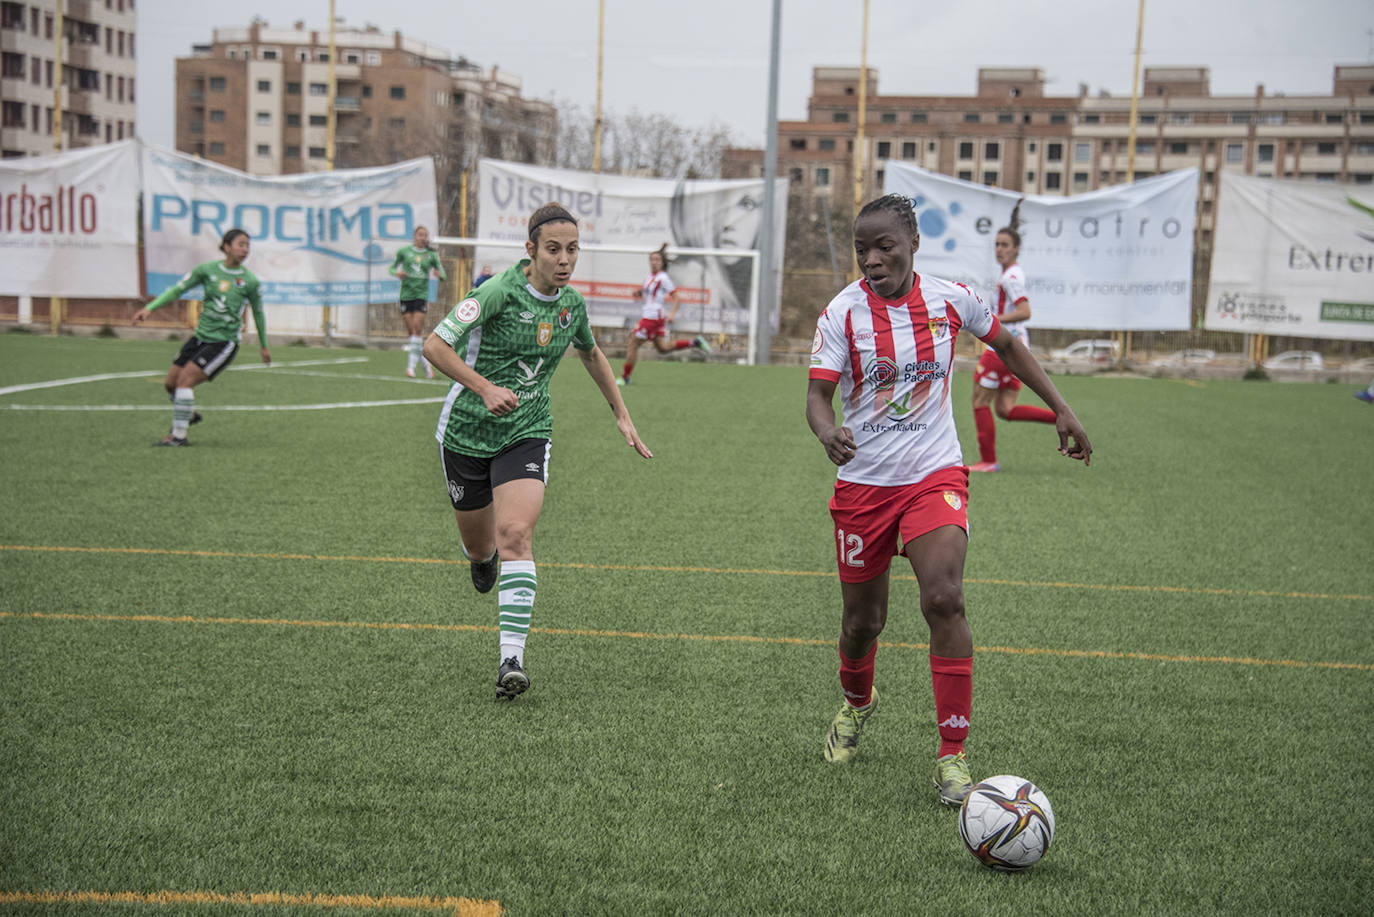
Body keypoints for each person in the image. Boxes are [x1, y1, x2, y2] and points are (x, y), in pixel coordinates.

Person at [805, 194, 1091, 806]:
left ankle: (952, 755)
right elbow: (818, 397)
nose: (873, 259)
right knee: (863, 623)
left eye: (885, 247)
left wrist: (1061, 407)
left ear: (912, 243)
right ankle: (858, 703)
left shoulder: (951, 299)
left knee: (943, 596)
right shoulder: (842, 314)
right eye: (863, 250)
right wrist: (828, 431)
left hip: (935, 474)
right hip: (864, 487)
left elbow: (1008, 345)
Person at [422, 202, 653, 700]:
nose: (564, 260)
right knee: (483, 546)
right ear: (531, 250)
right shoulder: (495, 292)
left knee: (516, 534)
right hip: (464, 434)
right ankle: (479, 558)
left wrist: (621, 413)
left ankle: (511, 658)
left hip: (526, 430)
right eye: (553, 250)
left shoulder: (571, 305)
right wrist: (483, 388)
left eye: (572, 250)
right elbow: (435, 346)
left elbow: (591, 352)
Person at [131, 228, 269, 446]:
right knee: (171, 384)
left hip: (224, 342)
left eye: (247, 245)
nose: (245, 250)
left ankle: (178, 436)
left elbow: (258, 312)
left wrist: (264, 345)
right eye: (241, 244)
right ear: (226, 247)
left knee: (185, 381)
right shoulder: (207, 271)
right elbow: (177, 290)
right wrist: (150, 308)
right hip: (200, 337)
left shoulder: (249, 281)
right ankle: (190, 414)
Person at [969, 201, 1058, 473]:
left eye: (1005, 245)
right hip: (1019, 347)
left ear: (1016, 248)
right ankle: (1060, 418)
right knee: (1005, 409)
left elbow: (1024, 311)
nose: (999, 249)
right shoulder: (1010, 273)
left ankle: (987, 461)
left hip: (1002, 348)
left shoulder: (1011, 277)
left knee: (979, 401)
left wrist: (991, 321)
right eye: (996, 244)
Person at [618, 243, 710, 386]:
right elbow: (648, 292)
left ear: (662, 263)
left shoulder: (663, 278)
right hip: (653, 317)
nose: (654, 262)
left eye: (657, 260)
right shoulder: (649, 277)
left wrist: (672, 313)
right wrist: (639, 293)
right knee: (663, 348)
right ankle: (695, 342)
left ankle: (625, 378)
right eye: (652, 259)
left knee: (632, 344)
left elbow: (677, 298)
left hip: (653, 317)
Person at [391, 226, 448, 378]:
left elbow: (443, 273)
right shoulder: (404, 252)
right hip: (405, 295)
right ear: (415, 236)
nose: (423, 237)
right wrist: (397, 273)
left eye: (425, 235)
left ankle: (411, 368)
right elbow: (391, 268)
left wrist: (439, 275)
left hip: (421, 295)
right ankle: (428, 368)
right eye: (420, 234)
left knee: (417, 330)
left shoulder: (431, 255)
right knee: (413, 334)